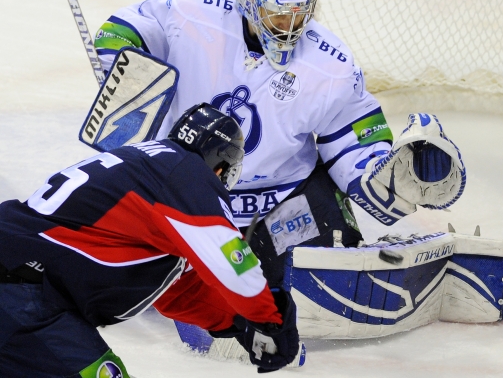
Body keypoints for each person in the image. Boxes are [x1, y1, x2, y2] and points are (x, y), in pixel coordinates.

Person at [93, 0, 465, 287]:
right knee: (124, 280)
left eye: (298, 14)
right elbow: (128, 27)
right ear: (250, 2)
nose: (289, 26)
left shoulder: (330, 63)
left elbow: (352, 137)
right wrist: (124, 58)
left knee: (328, 270)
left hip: (280, 201)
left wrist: (383, 175)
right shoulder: (194, 12)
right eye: (278, 14)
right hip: (185, 196)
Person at [0, 103, 300, 377]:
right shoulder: (184, 172)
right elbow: (228, 254)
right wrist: (269, 318)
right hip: (24, 294)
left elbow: (178, 292)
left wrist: (240, 323)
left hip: (20, 288)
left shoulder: (148, 171)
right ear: (220, 166)